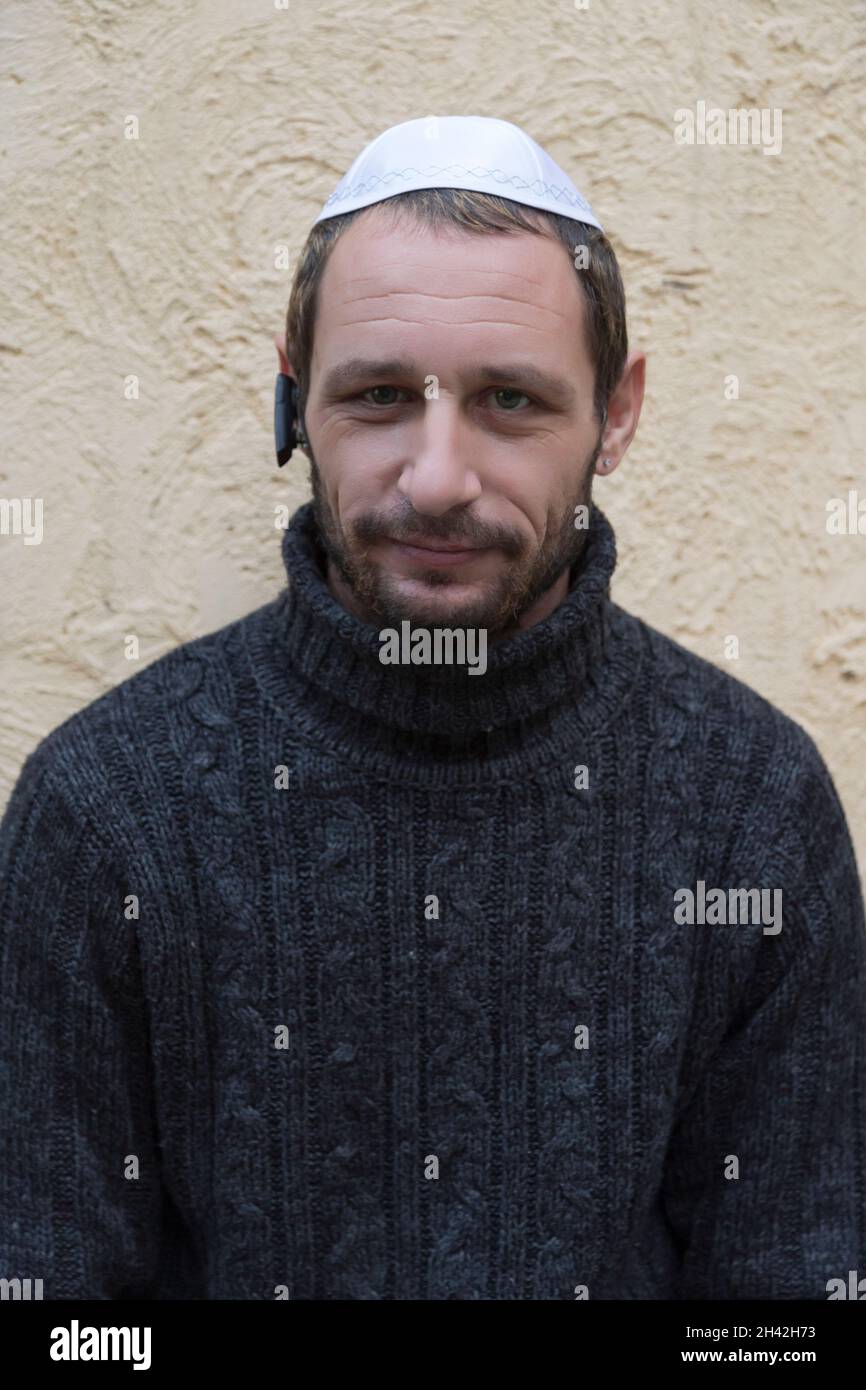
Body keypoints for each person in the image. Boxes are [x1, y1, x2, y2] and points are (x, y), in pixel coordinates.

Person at [1, 115, 863, 1300]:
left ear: (616, 412)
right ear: (293, 397)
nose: (437, 476)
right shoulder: (106, 809)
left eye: (508, 399)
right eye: (377, 397)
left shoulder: (749, 806)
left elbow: (789, 1302)